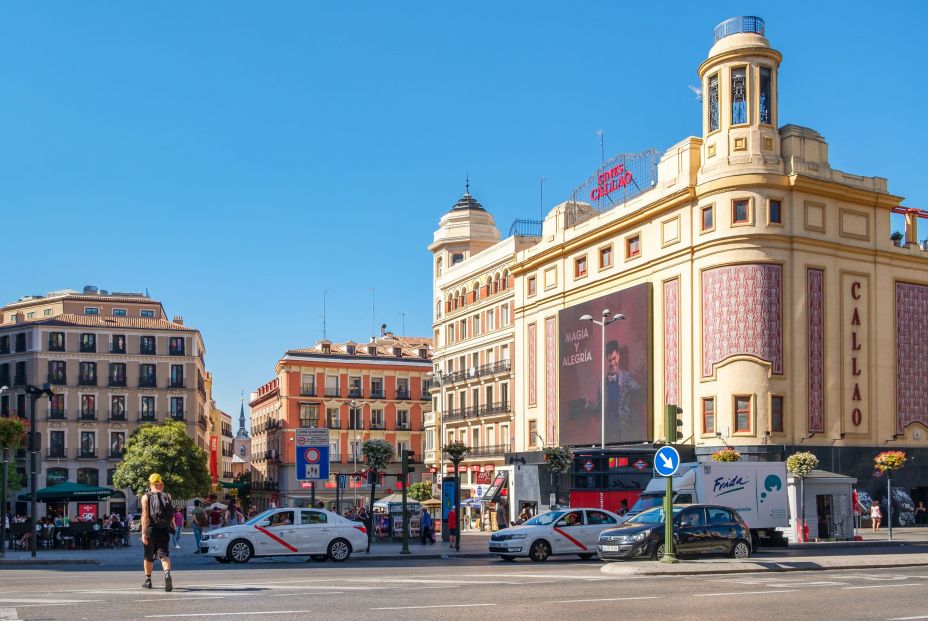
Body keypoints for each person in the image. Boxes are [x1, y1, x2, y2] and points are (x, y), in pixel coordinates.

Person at [140, 473, 175, 592]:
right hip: (164, 529)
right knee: (164, 555)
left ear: (150, 484)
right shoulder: (168, 496)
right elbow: (170, 512)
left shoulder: (146, 497)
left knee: (148, 556)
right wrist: (172, 524)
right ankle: (167, 574)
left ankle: (148, 580)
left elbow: (145, 515)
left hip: (151, 529)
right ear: (161, 484)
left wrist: (143, 533)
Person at [602, 340, 642, 440]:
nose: (612, 363)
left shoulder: (627, 378)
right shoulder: (603, 383)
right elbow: (598, 405)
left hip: (624, 434)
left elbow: (641, 390)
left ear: (619, 356)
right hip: (607, 436)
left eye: (614, 358)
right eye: (609, 360)